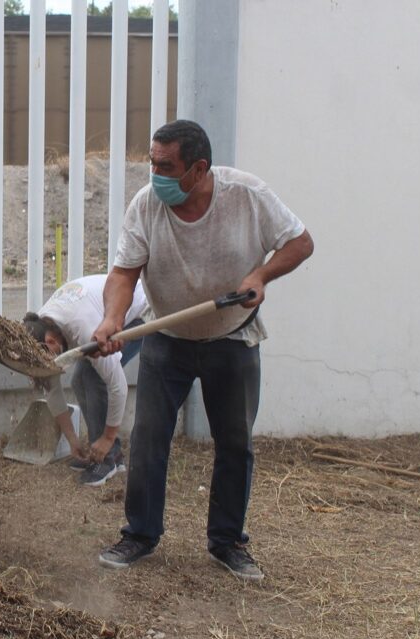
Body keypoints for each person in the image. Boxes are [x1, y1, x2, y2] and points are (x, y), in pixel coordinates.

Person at [92, 120, 314, 582]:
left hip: (231, 335)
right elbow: (123, 274)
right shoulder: (147, 204)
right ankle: (140, 534)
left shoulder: (247, 196)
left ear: (198, 169)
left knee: (234, 444)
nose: (155, 173)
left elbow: (300, 242)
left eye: (165, 165)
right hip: (166, 339)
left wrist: (261, 277)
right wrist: (113, 318)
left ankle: (228, 541)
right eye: (152, 162)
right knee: (150, 438)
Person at [23, 274, 148, 487]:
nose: (49, 363)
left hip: (138, 313)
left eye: (48, 357)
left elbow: (118, 386)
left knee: (92, 377)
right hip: (102, 314)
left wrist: (107, 438)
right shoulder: (42, 326)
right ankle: (108, 454)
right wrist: (72, 440)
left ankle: (108, 459)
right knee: (79, 379)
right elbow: (52, 389)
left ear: (51, 341)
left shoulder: (82, 327)